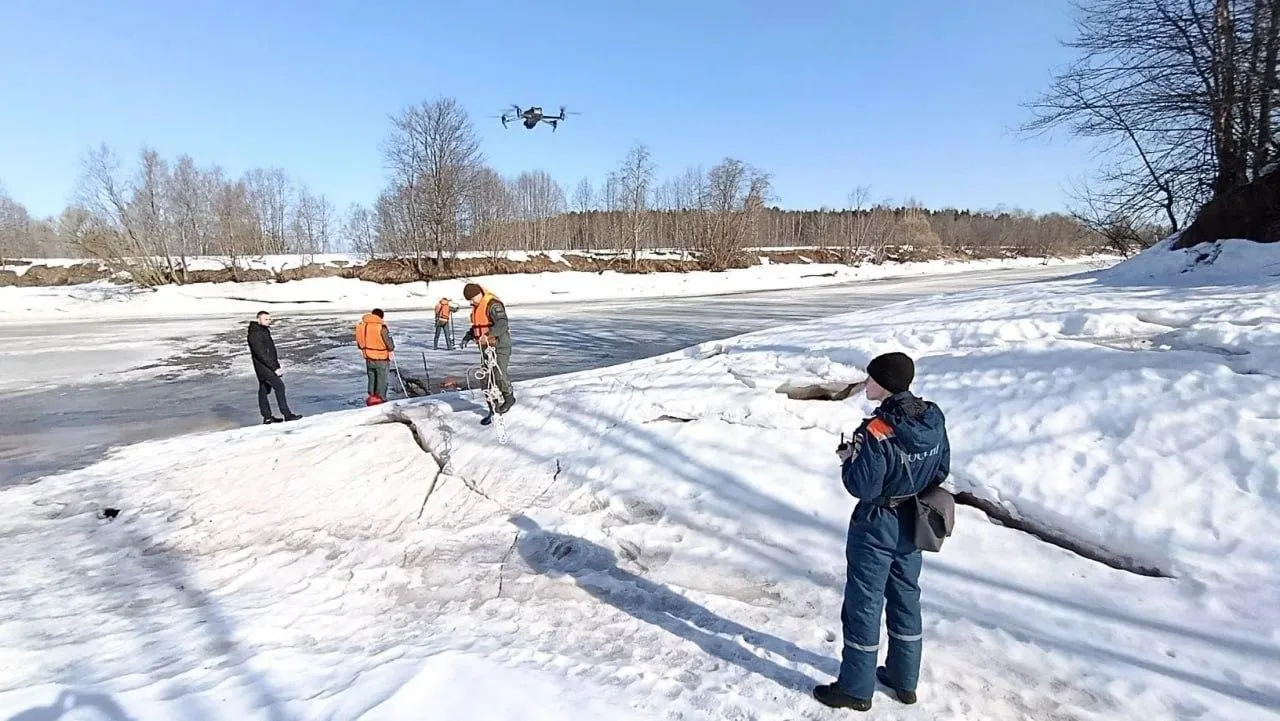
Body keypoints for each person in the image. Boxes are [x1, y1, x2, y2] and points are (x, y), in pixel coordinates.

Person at [814, 352, 950, 712]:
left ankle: (856, 690)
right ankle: (904, 681)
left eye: (871, 378)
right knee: (906, 597)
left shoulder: (875, 431)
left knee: (864, 601)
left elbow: (862, 487)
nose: (866, 384)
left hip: (877, 524)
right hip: (915, 520)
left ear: (886, 384)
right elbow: (941, 469)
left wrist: (848, 460)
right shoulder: (933, 416)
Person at [459, 282, 514, 424]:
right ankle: (493, 410)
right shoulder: (477, 307)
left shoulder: (493, 304)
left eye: (472, 298)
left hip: (500, 346)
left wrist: (489, 334)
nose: (471, 302)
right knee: (485, 380)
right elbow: (477, 327)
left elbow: (502, 324)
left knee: (498, 374)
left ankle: (509, 398)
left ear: (479, 294)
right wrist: (467, 337)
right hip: (486, 348)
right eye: (469, 300)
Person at [247, 311, 301, 423]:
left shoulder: (263, 331)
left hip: (266, 366)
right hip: (264, 367)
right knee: (279, 387)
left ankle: (267, 417)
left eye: (269, 319)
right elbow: (261, 353)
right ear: (258, 319)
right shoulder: (255, 333)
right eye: (265, 319)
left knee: (264, 390)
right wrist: (274, 368)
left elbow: (270, 351)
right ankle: (287, 414)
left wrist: (277, 365)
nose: (268, 321)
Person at [355, 308, 395, 403]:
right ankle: (380, 399)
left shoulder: (361, 326)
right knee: (382, 380)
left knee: (372, 378)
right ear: (380, 317)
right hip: (382, 358)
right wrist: (391, 346)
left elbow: (359, 343)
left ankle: (372, 397)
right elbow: (389, 345)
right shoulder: (381, 327)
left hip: (368, 357)